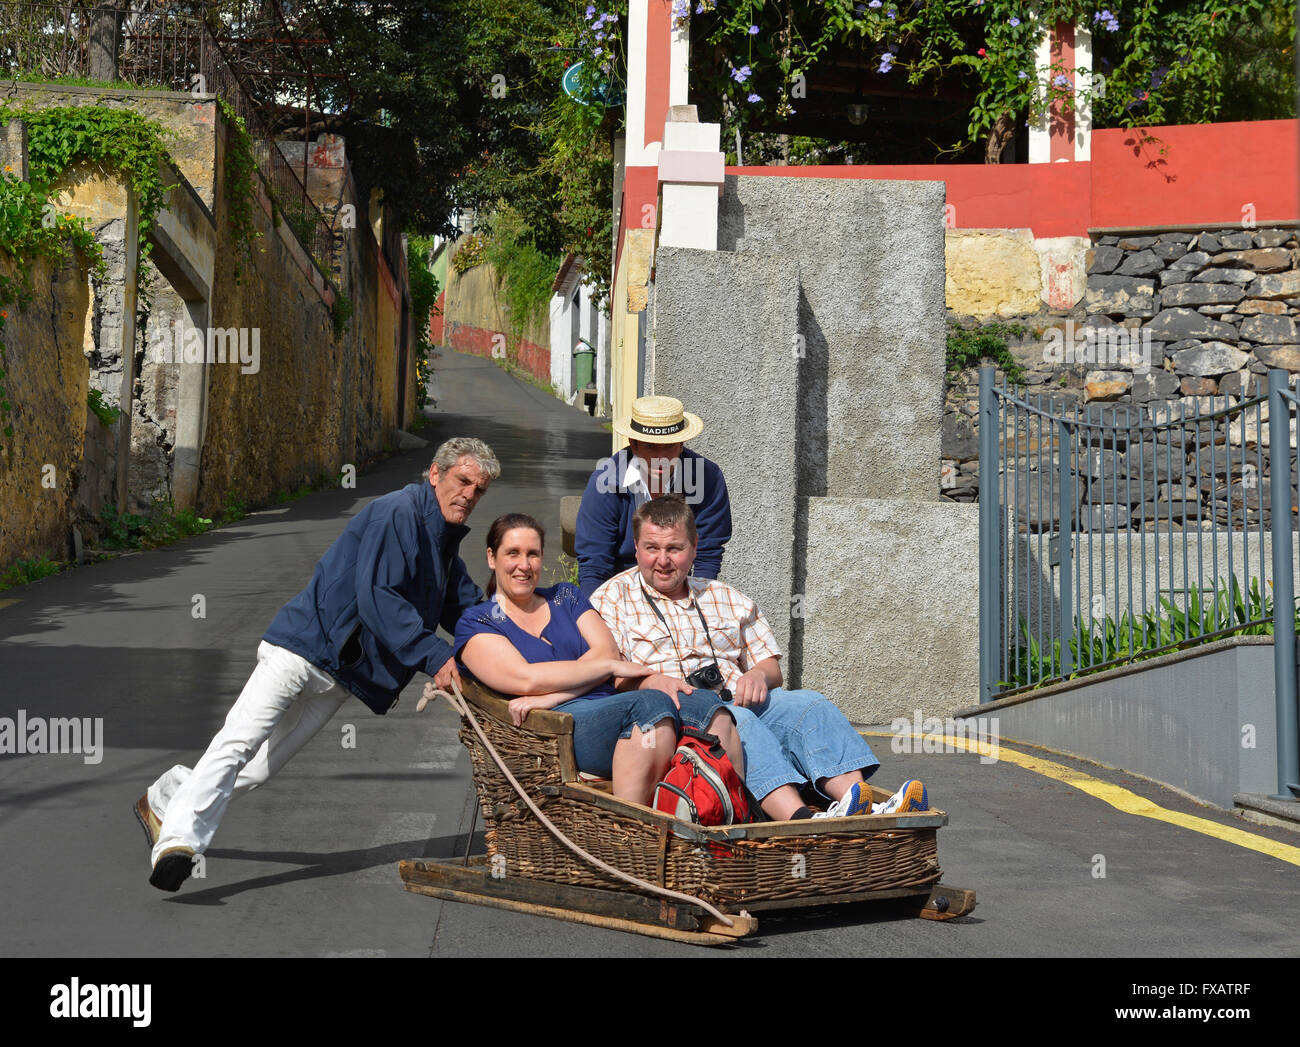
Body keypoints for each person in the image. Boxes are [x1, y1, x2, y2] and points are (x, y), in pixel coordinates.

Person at [134, 437, 500, 892]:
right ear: (434, 474)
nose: (469, 494)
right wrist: (438, 657)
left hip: (339, 675)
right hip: (301, 649)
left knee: (261, 769)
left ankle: (167, 798)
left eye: (479, 489)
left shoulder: (441, 538)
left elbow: (459, 603)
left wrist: (508, 633)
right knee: (237, 743)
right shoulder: (397, 514)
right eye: (462, 480)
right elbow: (379, 598)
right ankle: (177, 846)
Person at [591, 495, 929, 821]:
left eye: (674, 549)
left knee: (809, 704)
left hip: (735, 696)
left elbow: (771, 667)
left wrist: (757, 676)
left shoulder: (727, 597)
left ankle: (858, 802)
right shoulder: (611, 599)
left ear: (693, 549)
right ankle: (797, 820)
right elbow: (610, 675)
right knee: (739, 720)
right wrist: (650, 681)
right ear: (636, 548)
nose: (663, 560)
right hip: (677, 713)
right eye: (652, 548)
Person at [451, 513, 744, 806]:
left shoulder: (565, 596)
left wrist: (557, 693)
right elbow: (526, 678)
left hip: (598, 704)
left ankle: (727, 822)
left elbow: (606, 651)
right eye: (512, 553)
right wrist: (605, 669)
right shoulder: (478, 622)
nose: (524, 565)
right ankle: (636, 833)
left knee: (705, 704)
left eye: (533, 554)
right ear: (492, 558)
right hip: (557, 727)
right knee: (651, 704)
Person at [575, 395, 731, 597]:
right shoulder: (606, 483)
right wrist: (600, 615)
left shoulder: (707, 477)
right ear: (634, 443)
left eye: (669, 446)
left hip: (681, 590)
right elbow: (594, 565)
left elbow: (707, 553)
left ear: (681, 443)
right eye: (650, 446)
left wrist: (697, 605)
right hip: (618, 591)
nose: (660, 457)